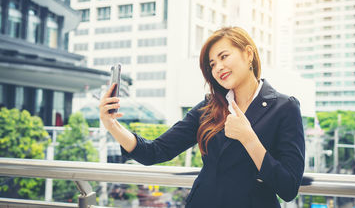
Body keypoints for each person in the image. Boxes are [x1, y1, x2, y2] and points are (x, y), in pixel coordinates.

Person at [99, 27, 305, 207]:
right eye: (212, 64)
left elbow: (288, 187)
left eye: (224, 57)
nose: (218, 68)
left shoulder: (284, 107)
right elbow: (154, 152)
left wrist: (249, 138)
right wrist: (112, 125)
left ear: (248, 53)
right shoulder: (209, 107)